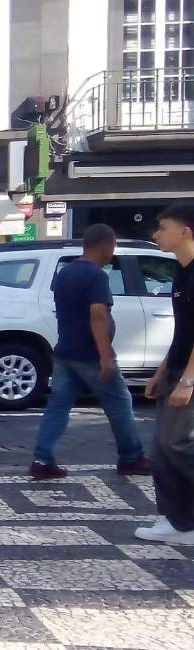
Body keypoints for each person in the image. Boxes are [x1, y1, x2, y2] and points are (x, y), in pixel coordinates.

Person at [30, 223, 152, 479]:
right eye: (113, 247)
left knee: (58, 406)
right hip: (91, 355)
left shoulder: (65, 272)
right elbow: (97, 315)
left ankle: (42, 459)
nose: (112, 253)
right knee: (119, 404)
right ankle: (131, 457)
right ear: (106, 246)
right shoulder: (96, 276)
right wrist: (105, 355)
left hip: (65, 352)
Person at [136, 203, 194, 544]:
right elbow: (183, 332)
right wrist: (161, 371)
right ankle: (177, 520)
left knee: (179, 445)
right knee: (161, 449)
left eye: (162, 227)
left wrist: (188, 380)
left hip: (189, 375)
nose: (156, 234)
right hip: (176, 368)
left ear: (184, 231)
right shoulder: (181, 272)